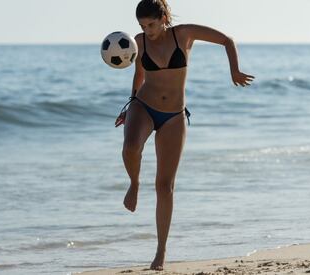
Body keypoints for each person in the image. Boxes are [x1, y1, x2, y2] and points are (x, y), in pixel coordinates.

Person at [114, 0, 254, 270]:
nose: (147, 30)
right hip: (143, 105)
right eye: (142, 26)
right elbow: (139, 75)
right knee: (131, 148)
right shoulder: (139, 43)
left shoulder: (185, 34)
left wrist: (234, 70)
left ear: (164, 17)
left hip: (173, 116)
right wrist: (130, 104)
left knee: (165, 186)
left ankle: (161, 252)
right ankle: (133, 182)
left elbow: (227, 40)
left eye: (151, 24)